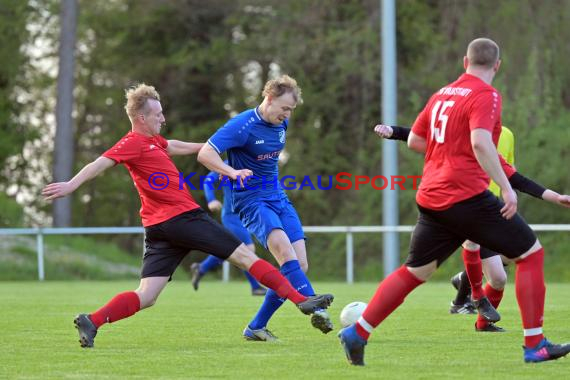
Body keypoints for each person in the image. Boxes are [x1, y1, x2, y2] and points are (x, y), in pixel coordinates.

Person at [42, 83, 333, 348]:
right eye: (158, 114)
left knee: (147, 295)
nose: (163, 118)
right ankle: (302, 300)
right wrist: (71, 185)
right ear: (141, 118)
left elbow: (180, 146)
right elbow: (99, 163)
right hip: (183, 218)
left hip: (157, 229)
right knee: (247, 257)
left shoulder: (155, 142)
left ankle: (92, 320)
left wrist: (216, 148)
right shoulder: (131, 142)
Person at [338, 38, 570, 365]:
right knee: (531, 254)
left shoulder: (442, 94)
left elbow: (417, 141)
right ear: (497, 66)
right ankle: (535, 345)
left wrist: (449, 150)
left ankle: (357, 332)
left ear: (465, 62)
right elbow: (480, 143)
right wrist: (504, 188)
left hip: (432, 196)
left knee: (415, 271)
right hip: (465, 195)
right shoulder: (486, 95)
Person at [375, 124, 570, 332]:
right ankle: (475, 296)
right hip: (459, 205)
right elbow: (422, 136)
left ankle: (480, 318)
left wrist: (555, 197)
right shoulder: (461, 133)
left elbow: (512, 175)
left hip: (490, 211)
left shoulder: (506, 135)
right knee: (423, 267)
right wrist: (394, 131)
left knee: (498, 278)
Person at [198, 75, 333, 342]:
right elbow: (205, 153)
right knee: (284, 252)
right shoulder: (241, 125)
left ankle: (256, 326)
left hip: (278, 197)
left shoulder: (282, 121)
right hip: (251, 201)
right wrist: (231, 172)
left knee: (299, 265)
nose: (287, 115)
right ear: (268, 98)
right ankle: (314, 306)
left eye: (291, 110)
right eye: (284, 108)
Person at [189, 164, 267, 296]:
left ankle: (201, 268)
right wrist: (211, 200)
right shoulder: (227, 163)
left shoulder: (254, 162)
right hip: (232, 216)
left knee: (232, 250)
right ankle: (255, 287)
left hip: (246, 216)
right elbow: (208, 180)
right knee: (248, 250)